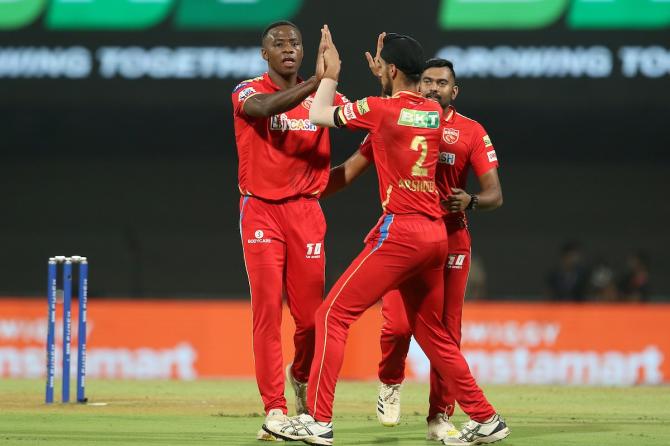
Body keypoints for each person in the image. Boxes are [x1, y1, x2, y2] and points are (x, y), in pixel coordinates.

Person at [264, 27, 508, 446]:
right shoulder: (434, 115)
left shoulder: (381, 110)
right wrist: (386, 81)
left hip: (402, 232)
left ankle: (319, 421)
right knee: (434, 334)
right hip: (435, 236)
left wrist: (331, 75)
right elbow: (402, 110)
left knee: (331, 317)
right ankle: (486, 418)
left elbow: (319, 114)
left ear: (391, 69)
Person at [322, 55, 504, 441]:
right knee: (399, 326)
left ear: (454, 92)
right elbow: (364, 152)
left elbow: (495, 195)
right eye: (428, 82)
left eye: (442, 83)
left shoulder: (469, 131)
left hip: (449, 239)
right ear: (419, 85)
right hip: (412, 237)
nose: (434, 88)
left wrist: (470, 200)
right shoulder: (411, 118)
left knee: (444, 334)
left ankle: (439, 418)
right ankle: (391, 380)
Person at [231, 20, 348, 441]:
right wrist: (319, 80)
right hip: (260, 211)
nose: (288, 48)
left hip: (306, 215)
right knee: (266, 312)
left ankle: (300, 374)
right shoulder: (246, 90)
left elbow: (369, 120)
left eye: (295, 43)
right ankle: (275, 409)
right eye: (278, 43)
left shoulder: (325, 97)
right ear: (265, 54)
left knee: (310, 320)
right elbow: (263, 110)